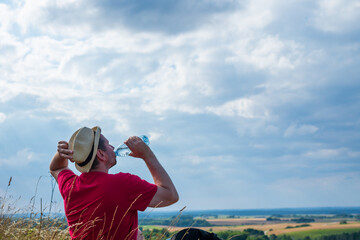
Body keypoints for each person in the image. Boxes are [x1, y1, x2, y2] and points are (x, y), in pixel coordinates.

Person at [49, 126, 179, 240]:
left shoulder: (70, 186)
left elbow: (56, 168)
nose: (112, 147)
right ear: (101, 154)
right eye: (108, 144)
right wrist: (147, 155)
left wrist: (60, 154)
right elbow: (170, 195)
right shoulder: (123, 184)